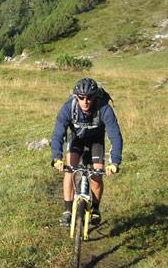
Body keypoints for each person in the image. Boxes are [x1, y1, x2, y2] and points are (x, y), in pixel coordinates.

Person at [51, 77, 122, 226]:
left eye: (89, 97)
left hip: (96, 141)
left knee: (96, 175)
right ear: (76, 97)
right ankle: (67, 211)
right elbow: (58, 133)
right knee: (69, 171)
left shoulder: (104, 109)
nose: (85, 101)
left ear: (95, 96)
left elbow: (115, 135)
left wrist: (114, 162)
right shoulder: (68, 108)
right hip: (76, 139)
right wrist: (57, 157)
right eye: (81, 98)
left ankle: (95, 209)